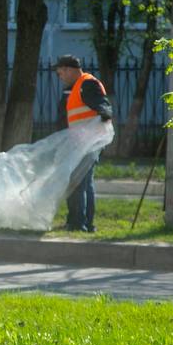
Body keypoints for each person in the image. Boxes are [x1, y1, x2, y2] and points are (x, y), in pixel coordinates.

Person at [53, 55, 112, 232]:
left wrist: (105, 113)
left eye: (61, 73)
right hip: (79, 142)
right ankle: (83, 222)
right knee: (83, 183)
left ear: (69, 69)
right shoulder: (74, 88)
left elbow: (102, 104)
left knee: (77, 182)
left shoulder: (87, 84)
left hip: (87, 143)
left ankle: (78, 223)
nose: (60, 77)